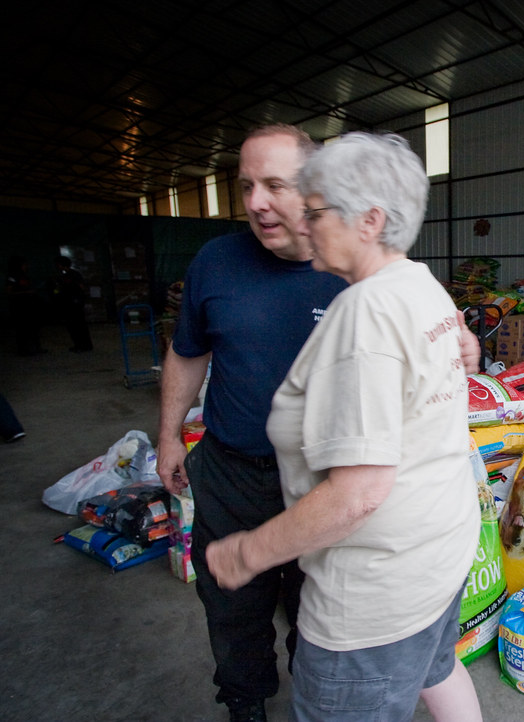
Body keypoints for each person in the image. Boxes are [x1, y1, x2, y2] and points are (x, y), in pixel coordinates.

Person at [205, 131, 483, 722]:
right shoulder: (421, 284)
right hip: (439, 552)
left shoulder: (365, 310)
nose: (305, 226)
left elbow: (357, 494)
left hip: (376, 591)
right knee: (437, 670)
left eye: (316, 212)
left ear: (370, 221)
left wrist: (250, 552)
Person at [156, 124, 349, 722]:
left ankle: (314, 701)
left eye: (274, 185)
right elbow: (187, 351)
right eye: (246, 187)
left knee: (318, 611)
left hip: (321, 481)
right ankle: (244, 702)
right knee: (231, 604)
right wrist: (168, 436)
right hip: (231, 473)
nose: (257, 203)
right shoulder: (216, 262)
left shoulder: (351, 266)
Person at [5, 255, 44, 356]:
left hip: (29, 305)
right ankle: (23, 350)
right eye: (24, 264)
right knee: (22, 328)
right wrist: (25, 293)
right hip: (19, 306)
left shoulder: (25, 276)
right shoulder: (12, 277)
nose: (26, 266)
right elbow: (9, 292)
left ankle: (35, 347)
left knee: (33, 327)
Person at [53, 255, 93, 352]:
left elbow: (81, 287)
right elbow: (58, 290)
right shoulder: (62, 276)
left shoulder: (73, 274)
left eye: (58, 265)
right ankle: (79, 345)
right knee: (73, 326)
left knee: (78, 325)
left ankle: (84, 345)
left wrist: (79, 298)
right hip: (68, 304)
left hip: (75, 303)